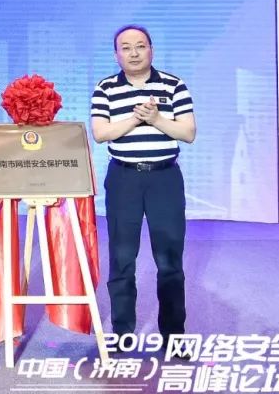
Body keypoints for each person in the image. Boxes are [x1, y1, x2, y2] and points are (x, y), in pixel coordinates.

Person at [91, 25, 196, 344]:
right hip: (124, 179)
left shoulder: (174, 85)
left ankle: (174, 336)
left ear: (151, 49)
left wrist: (157, 119)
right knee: (122, 259)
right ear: (116, 55)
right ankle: (122, 333)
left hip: (165, 179)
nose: (134, 53)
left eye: (140, 46)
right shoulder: (106, 88)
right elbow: (101, 133)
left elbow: (188, 133)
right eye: (126, 47)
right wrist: (137, 118)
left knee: (169, 260)